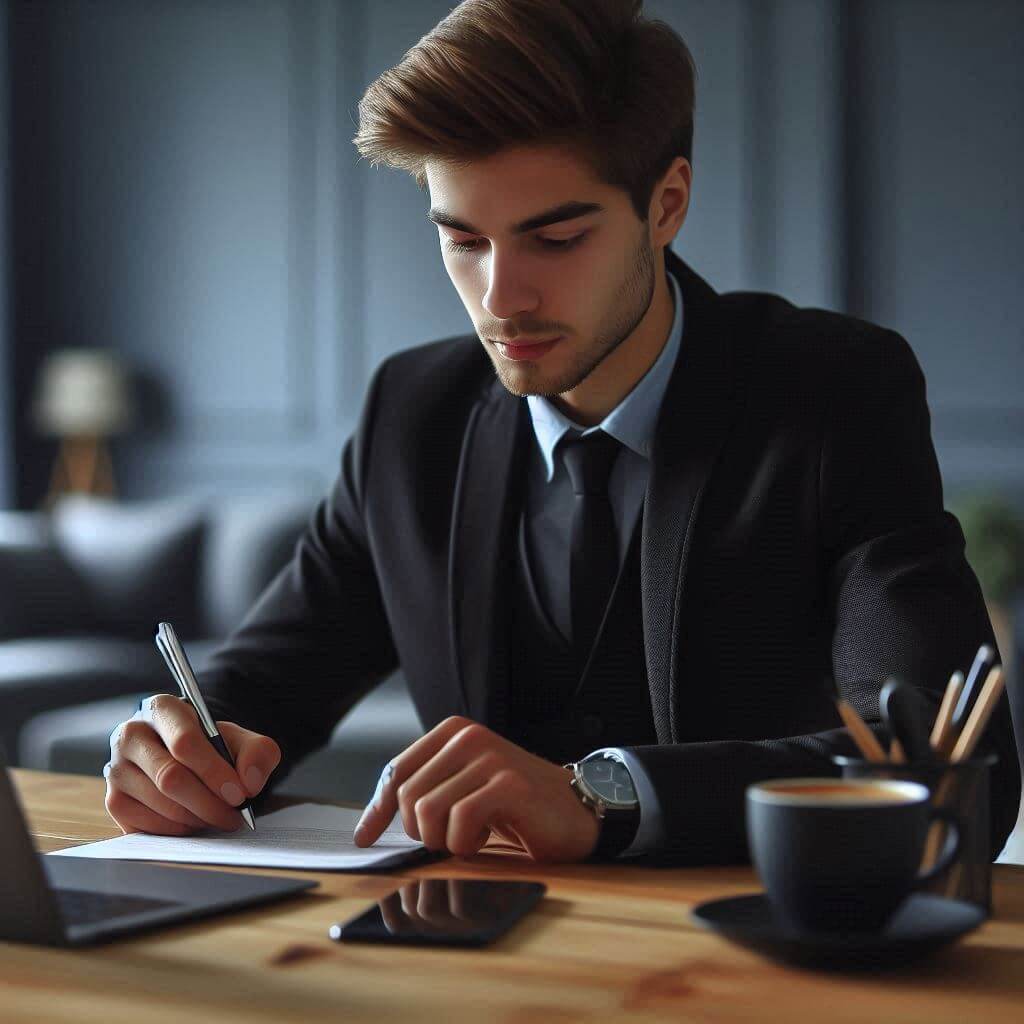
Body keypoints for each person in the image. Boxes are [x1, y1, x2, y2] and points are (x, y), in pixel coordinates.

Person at [104, 0, 1019, 865]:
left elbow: (952, 768)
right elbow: (265, 683)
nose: (502, 299)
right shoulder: (411, 415)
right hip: (471, 959)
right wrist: (183, 747)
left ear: (666, 205)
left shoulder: (831, 391)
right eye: (464, 240)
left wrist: (605, 797)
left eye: (557, 238)